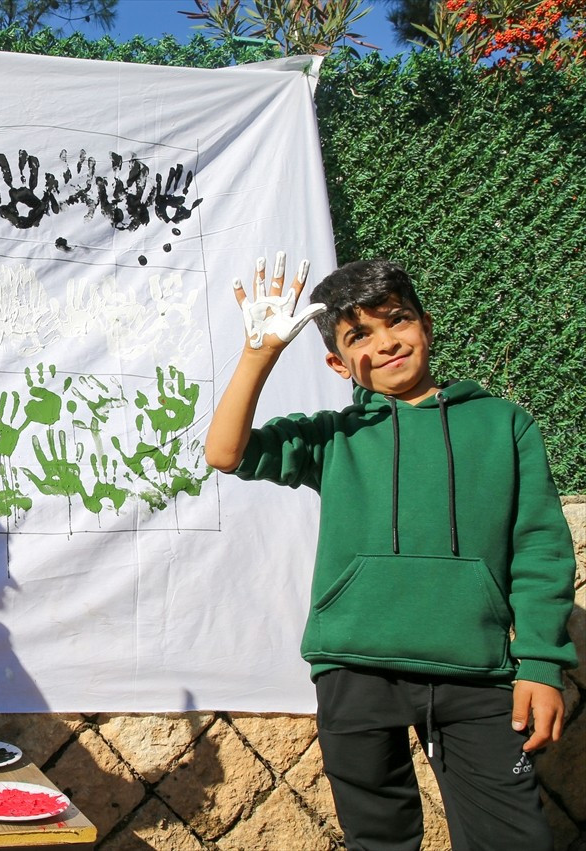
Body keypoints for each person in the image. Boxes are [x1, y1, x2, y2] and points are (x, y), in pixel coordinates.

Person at [204, 254, 576, 851]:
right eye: (360, 336)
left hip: (476, 674)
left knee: (516, 838)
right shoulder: (335, 435)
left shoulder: (504, 426)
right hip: (355, 669)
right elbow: (226, 453)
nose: (385, 343)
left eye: (397, 321)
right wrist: (259, 355)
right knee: (379, 840)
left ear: (425, 325)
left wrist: (540, 662)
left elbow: (539, 548)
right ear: (338, 362)